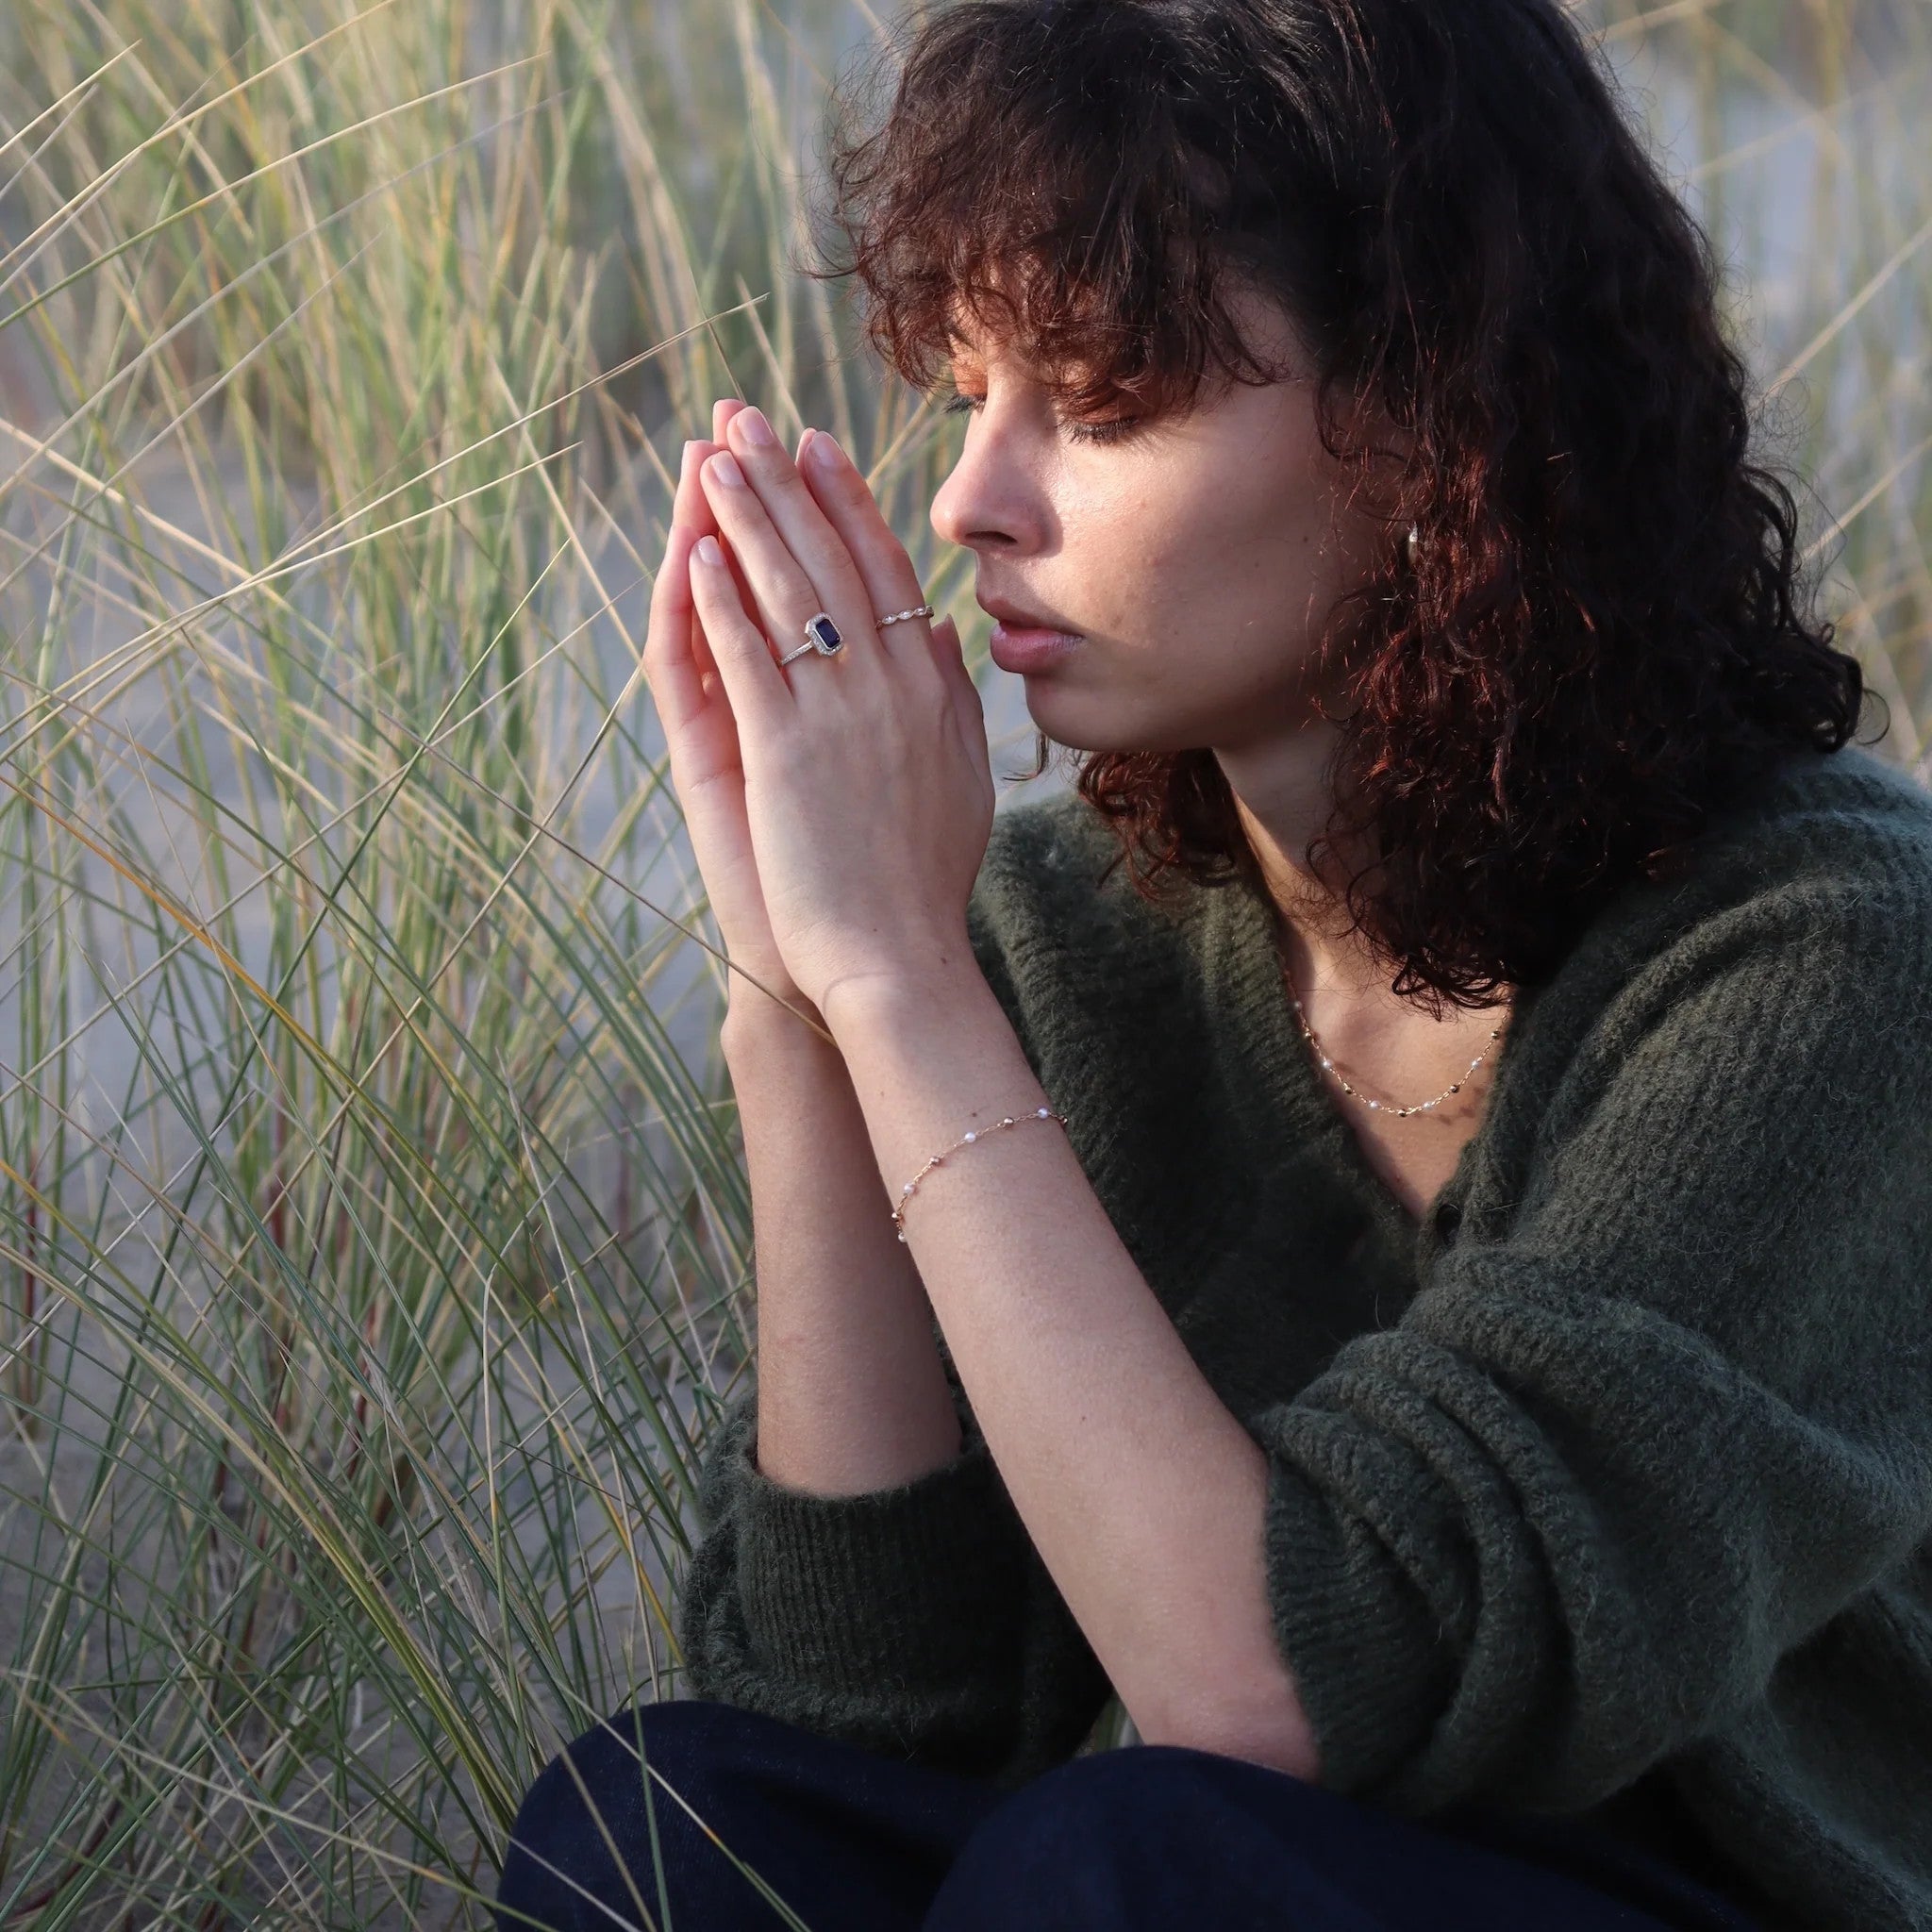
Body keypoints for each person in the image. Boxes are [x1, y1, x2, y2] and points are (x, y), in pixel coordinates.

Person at [497, 1, 1932, 1927]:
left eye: (1100, 402)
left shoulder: (1825, 959)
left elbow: (1287, 1696)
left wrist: (903, 991)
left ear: (1433, 423)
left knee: (1139, 1861)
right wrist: (801, 997)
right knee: (671, 1829)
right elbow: (869, 1716)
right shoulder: (1062, 937)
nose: (970, 500)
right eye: (967, 390)